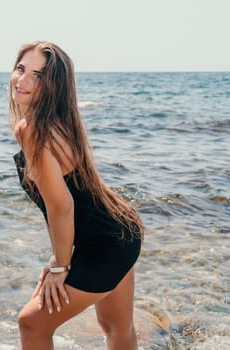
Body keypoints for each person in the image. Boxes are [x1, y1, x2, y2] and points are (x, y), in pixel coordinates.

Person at [9, 41, 144, 350]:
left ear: (54, 86)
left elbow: (61, 205)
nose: (23, 81)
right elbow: (59, 202)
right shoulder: (61, 122)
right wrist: (60, 256)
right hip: (122, 231)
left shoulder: (32, 129)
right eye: (20, 69)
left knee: (31, 323)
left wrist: (60, 267)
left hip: (105, 244)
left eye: (39, 75)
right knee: (117, 328)